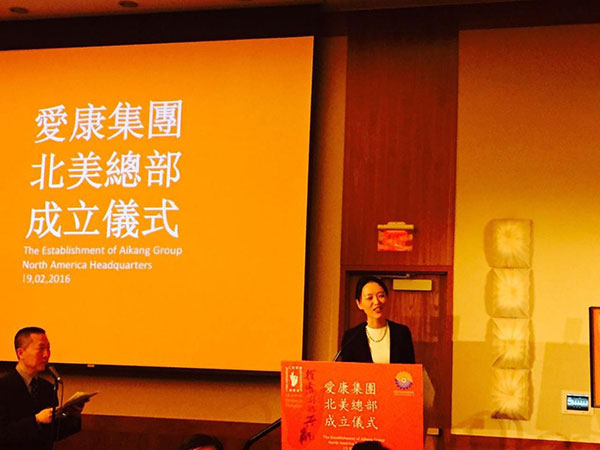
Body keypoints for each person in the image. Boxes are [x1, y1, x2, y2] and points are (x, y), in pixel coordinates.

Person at [0, 327, 83, 450]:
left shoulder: (47, 388)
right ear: (20, 353)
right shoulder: (3, 387)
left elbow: (53, 433)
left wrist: (73, 414)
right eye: (41, 349)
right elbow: (3, 432)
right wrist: (36, 420)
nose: (46, 354)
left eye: (48, 348)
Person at [341, 276, 415, 364]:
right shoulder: (351, 337)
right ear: (359, 304)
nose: (376, 302)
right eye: (369, 298)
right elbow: (347, 370)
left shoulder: (401, 333)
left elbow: (409, 368)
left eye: (381, 296)